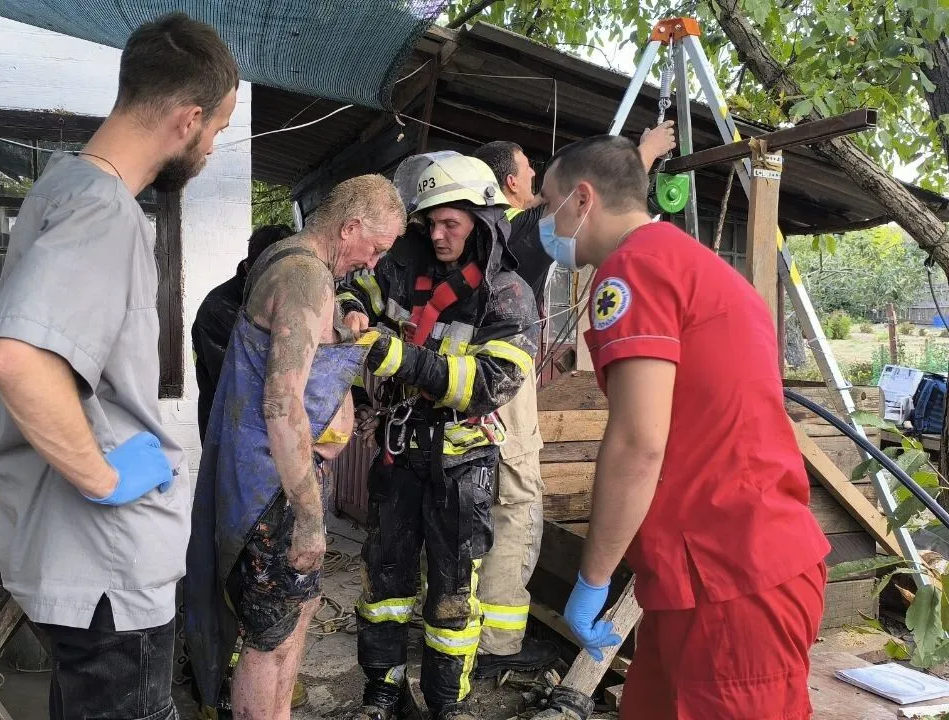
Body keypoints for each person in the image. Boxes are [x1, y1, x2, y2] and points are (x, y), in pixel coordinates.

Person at [0, 13, 238, 720]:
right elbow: (15, 354)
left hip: (84, 567)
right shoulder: (102, 209)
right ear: (187, 120)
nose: (213, 147)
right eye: (217, 130)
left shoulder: (62, 188)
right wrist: (102, 475)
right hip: (109, 574)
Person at [539, 135, 829, 720]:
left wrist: (592, 578)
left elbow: (639, 441)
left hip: (728, 573)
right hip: (712, 564)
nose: (544, 220)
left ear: (582, 200)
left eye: (548, 204)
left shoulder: (633, 271)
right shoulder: (689, 262)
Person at [186, 175, 407, 720]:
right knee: (270, 635)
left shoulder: (294, 264)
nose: (373, 265)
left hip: (280, 481)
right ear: (349, 227)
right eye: (375, 249)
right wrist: (309, 518)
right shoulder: (304, 276)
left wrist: (342, 330)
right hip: (272, 493)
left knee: (296, 616)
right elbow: (282, 405)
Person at [466, 127, 676, 678]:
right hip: (500, 383)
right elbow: (593, 201)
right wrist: (642, 157)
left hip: (475, 380)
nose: (539, 186)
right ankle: (498, 645)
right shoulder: (507, 231)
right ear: (509, 184)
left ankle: (465, 624)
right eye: (531, 177)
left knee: (477, 497)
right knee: (517, 498)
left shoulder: (474, 238)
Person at [340, 153, 540, 720]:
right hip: (399, 455)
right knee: (384, 583)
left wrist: (393, 356)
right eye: (430, 222)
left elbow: (487, 385)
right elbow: (355, 290)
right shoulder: (403, 271)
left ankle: (446, 704)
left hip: (462, 465)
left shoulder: (508, 295)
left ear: (483, 220)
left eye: (450, 222)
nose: (438, 233)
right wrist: (354, 312)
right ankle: (381, 692)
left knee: (453, 595)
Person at [192, 224, 293, 441]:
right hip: (229, 436)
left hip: (270, 435)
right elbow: (242, 386)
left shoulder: (282, 302)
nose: (283, 286)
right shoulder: (218, 310)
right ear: (251, 269)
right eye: (274, 276)